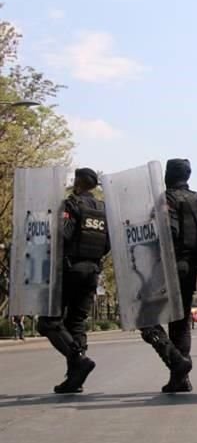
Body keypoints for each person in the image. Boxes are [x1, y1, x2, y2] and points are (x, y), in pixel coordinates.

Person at [37, 168, 110, 394]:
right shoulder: (103, 209)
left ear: (77, 182)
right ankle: (74, 379)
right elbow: (107, 244)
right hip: (92, 271)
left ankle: (78, 361)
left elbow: (63, 234)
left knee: (48, 322)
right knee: (76, 323)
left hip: (71, 269)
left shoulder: (72, 204)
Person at [139, 159, 197, 393]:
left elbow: (168, 232)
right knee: (181, 321)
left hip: (169, 265)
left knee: (145, 317)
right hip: (191, 267)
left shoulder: (167, 199)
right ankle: (180, 379)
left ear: (168, 175)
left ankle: (177, 363)